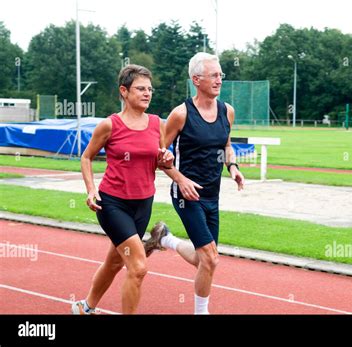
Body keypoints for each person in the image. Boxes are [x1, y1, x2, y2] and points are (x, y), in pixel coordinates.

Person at [145, 52, 245, 314]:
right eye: (213, 75)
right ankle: (201, 312)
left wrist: (232, 167)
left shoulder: (227, 111)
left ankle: (165, 239)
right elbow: (159, 156)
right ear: (196, 79)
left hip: (213, 194)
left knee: (205, 259)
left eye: (220, 74)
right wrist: (180, 178)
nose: (219, 80)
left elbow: (226, 144)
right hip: (185, 195)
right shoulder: (181, 114)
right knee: (211, 259)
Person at [71, 64, 173, 315]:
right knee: (138, 267)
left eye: (150, 89)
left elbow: (159, 159)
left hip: (143, 204)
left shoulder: (156, 124)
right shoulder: (110, 125)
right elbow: (86, 157)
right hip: (113, 204)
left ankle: (86, 307)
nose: (147, 93)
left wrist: (167, 160)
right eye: (140, 89)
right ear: (124, 91)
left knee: (115, 261)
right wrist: (90, 189)